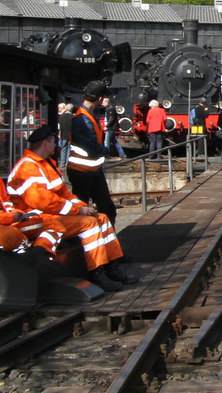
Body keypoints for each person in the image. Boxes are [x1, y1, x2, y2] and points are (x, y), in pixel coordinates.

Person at [8, 124, 131, 289]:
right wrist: (78, 210)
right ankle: (96, 271)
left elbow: (64, 194)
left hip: (51, 215)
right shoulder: (28, 168)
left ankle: (112, 266)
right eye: (53, 142)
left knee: (101, 217)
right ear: (45, 144)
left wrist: (82, 206)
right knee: (89, 224)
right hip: (35, 219)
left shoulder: (45, 164)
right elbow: (42, 201)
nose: (56, 146)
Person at [66, 82, 118, 224]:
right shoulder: (82, 119)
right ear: (100, 98)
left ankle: (106, 241)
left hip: (92, 170)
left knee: (107, 209)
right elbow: (91, 146)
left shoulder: (88, 115)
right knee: (83, 210)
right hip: (82, 171)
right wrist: (106, 151)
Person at [143, 91, 167, 157]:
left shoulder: (150, 111)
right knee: (159, 142)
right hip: (160, 128)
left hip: (152, 129)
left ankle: (151, 156)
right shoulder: (162, 110)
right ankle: (159, 156)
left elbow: (147, 120)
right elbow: (165, 119)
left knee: (152, 142)